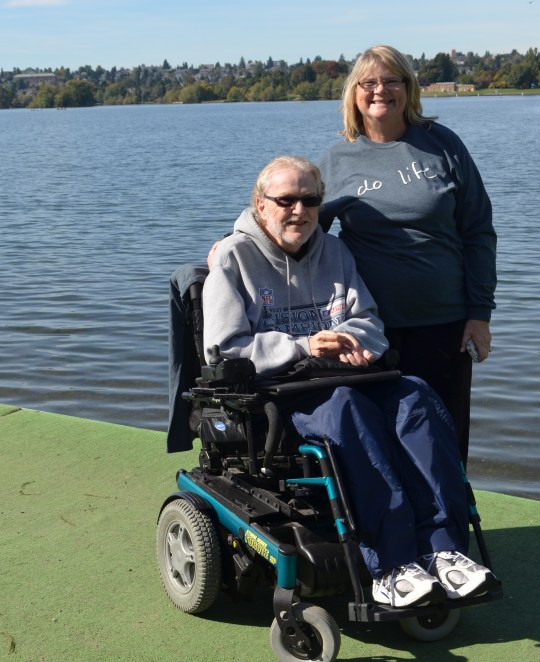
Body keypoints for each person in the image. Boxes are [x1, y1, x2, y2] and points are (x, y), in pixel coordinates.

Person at [204, 155, 497, 608]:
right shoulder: (232, 257)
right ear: (261, 205)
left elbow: (369, 321)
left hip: (346, 373)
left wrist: (349, 338)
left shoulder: (335, 251)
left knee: (416, 396)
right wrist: (305, 346)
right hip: (281, 391)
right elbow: (224, 347)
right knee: (347, 408)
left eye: (310, 200)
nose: (298, 210)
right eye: (285, 201)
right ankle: (390, 563)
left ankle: (445, 550)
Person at [317, 45, 497, 464]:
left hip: (444, 324)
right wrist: (237, 242)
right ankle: (389, 529)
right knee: (378, 441)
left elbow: (479, 233)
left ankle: (447, 526)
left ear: (408, 88)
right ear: (354, 94)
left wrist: (479, 314)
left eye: (391, 80)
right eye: (369, 83)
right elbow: (298, 228)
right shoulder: (337, 160)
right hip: (367, 328)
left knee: (443, 440)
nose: (381, 90)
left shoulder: (442, 145)